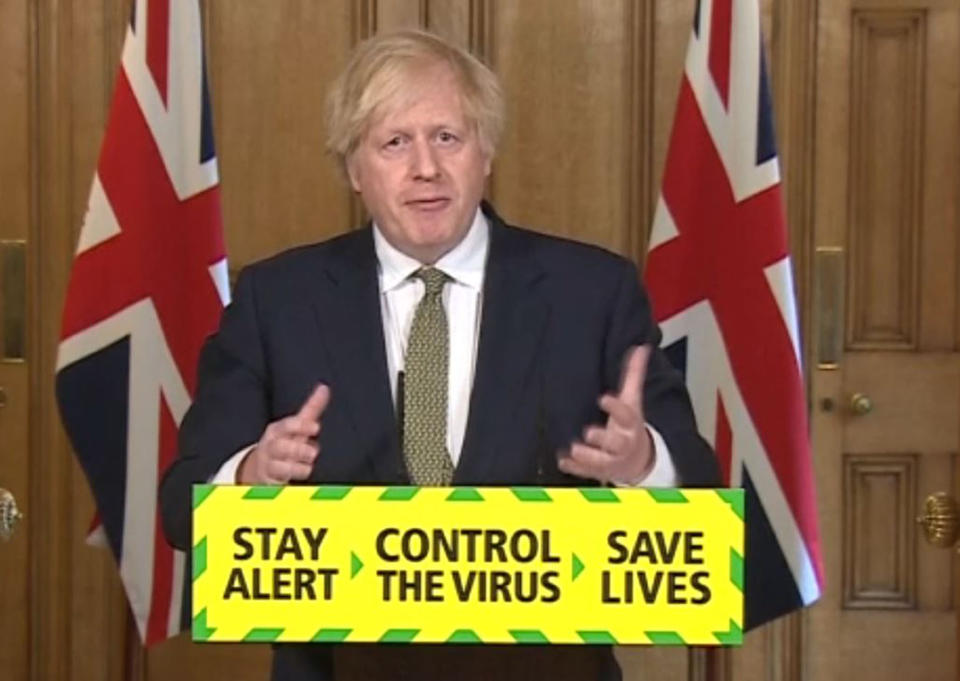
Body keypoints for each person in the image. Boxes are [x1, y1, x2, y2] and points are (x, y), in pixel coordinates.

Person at [160, 28, 718, 681]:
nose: (425, 167)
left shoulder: (592, 293)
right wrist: (250, 474)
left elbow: (701, 496)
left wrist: (643, 462)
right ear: (353, 169)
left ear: (486, 153)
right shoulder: (277, 300)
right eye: (394, 142)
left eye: (447, 138)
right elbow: (179, 507)